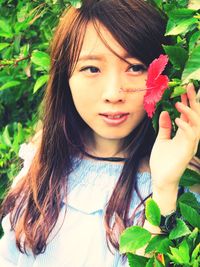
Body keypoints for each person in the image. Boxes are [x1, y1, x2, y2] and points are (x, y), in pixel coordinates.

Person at [0, 0, 200, 266]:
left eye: (135, 67)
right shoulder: (40, 166)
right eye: (91, 68)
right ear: (64, 77)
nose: (113, 94)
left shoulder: (183, 185)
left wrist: (164, 189)